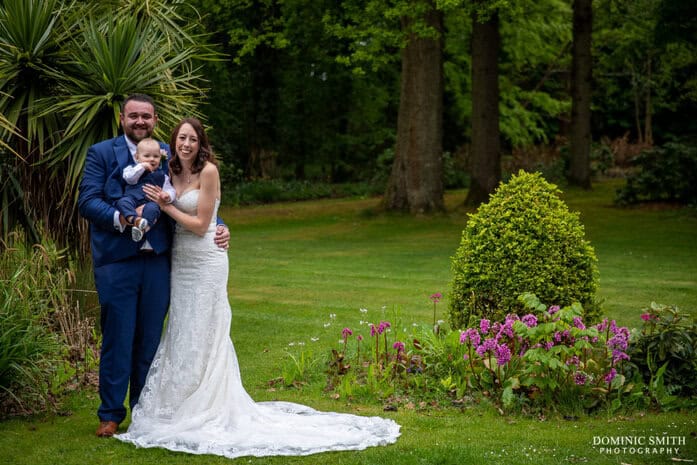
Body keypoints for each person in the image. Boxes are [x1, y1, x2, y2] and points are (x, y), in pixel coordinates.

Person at [115, 118, 400, 458]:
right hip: (181, 264)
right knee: (182, 329)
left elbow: (203, 223)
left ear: (201, 142)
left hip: (206, 261)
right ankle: (178, 404)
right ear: (172, 143)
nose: (186, 144)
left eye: (192, 139)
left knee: (207, 330)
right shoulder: (171, 171)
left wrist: (167, 206)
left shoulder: (208, 172)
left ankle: (210, 403)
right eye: (181, 138)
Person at [78, 94, 230, 438]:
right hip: (117, 261)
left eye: (146, 116)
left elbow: (195, 192)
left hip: (159, 261)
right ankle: (111, 414)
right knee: (118, 336)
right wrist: (121, 217)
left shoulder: (169, 153)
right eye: (134, 116)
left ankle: (145, 410)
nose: (140, 121)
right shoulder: (102, 153)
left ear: (155, 119)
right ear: (122, 119)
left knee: (151, 339)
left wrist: (220, 224)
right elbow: (87, 201)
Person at [113, 137, 176, 241]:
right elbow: (129, 179)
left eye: (156, 156)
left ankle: (144, 228)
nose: (151, 159)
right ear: (137, 157)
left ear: (160, 158)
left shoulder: (162, 176)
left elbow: (171, 189)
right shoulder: (132, 169)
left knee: (153, 209)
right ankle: (135, 219)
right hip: (132, 199)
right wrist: (141, 167)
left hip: (149, 202)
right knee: (122, 202)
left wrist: (168, 196)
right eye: (147, 156)